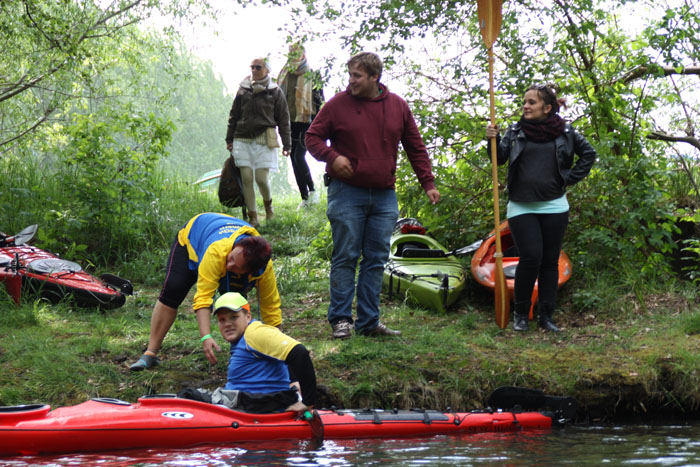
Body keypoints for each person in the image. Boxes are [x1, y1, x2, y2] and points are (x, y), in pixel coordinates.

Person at [305, 51, 440, 339]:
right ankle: (341, 320)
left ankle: (369, 322)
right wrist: (332, 157)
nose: (350, 81)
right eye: (350, 74)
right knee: (346, 255)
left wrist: (427, 183)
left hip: (384, 195)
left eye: (357, 76)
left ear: (374, 77)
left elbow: (415, 146)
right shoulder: (336, 105)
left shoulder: (398, 107)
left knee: (376, 258)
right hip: (346, 192)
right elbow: (312, 138)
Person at [485, 84, 597, 333]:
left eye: (531, 102)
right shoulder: (515, 131)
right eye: (524, 102)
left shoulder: (566, 132)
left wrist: (569, 177)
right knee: (531, 257)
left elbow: (589, 153)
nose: (525, 106)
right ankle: (521, 315)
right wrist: (490, 139)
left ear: (547, 108)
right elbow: (499, 158)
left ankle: (546, 317)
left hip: (555, 205)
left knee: (549, 262)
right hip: (521, 205)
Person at [130, 213, 282, 371]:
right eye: (230, 258)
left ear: (250, 271)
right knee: (173, 289)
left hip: (226, 243)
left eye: (235, 265)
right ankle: (150, 353)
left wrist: (278, 349)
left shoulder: (264, 269)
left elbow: (270, 308)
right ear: (236, 247)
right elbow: (204, 298)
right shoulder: (217, 251)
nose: (229, 265)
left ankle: (240, 354)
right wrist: (206, 336)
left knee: (235, 302)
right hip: (193, 236)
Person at [199, 292, 316, 413]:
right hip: (243, 405)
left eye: (234, 317)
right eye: (222, 320)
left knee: (189, 396)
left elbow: (298, 352)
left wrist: (307, 402)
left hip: (253, 409)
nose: (227, 324)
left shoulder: (255, 333)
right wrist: (293, 380)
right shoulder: (243, 338)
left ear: (248, 317)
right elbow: (281, 354)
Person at [225, 57, 291, 227]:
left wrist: (287, 144)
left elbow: (283, 119)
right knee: (246, 177)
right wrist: (229, 138)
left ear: (267, 70)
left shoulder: (275, 91)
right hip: (242, 137)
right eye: (252, 67)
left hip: (264, 137)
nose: (254, 70)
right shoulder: (243, 89)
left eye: (258, 67)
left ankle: (268, 208)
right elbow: (234, 115)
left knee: (261, 178)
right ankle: (252, 216)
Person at [277, 43, 325, 209]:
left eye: (297, 53)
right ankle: (304, 198)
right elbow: (278, 99)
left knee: (299, 156)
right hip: (289, 121)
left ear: (303, 54)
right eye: (291, 53)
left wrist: (321, 126)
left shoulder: (313, 75)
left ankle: (312, 191)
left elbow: (320, 102)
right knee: (292, 158)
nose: (294, 56)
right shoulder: (284, 74)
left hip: (307, 121)